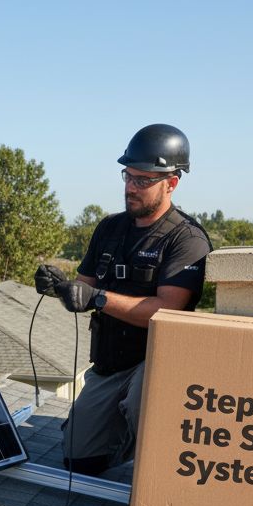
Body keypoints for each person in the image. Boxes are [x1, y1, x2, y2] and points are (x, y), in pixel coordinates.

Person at [36, 124, 212, 477]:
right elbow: (82, 290)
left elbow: (166, 310)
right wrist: (60, 287)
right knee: (78, 460)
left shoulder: (186, 240)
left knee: (141, 405)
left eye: (143, 180)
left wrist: (98, 298)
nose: (131, 187)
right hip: (110, 363)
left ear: (171, 182)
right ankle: (111, 434)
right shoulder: (109, 228)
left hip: (156, 362)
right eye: (128, 177)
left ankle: (158, 472)